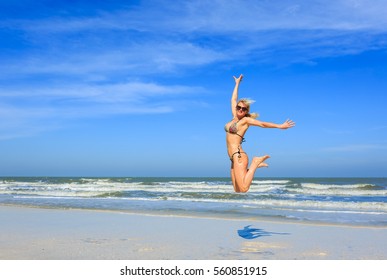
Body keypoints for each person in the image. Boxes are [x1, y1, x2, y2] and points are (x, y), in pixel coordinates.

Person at [225, 74, 295, 193]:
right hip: (232, 158)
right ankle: (254, 166)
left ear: (247, 111)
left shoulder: (245, 121)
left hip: (238, 155)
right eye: (239, 107)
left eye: (244, 109)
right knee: (237, 190)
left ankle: (255, 162)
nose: (240, 109)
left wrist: (280, 126)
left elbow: (262, 124)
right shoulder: (234, 117)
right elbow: (233, 99)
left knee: (244, 189)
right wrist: (237, 84)